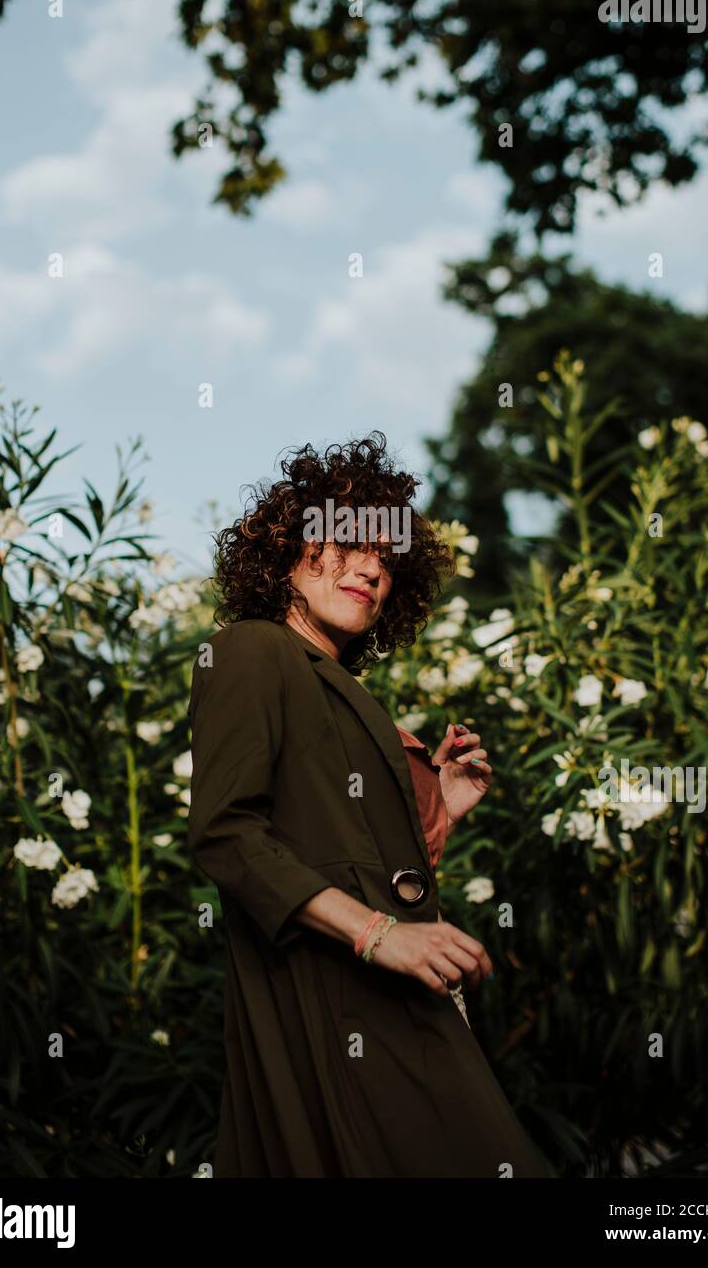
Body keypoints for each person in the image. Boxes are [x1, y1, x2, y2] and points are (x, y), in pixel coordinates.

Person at [187, 433, 555, 1177]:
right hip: (335, 991)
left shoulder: (333, 685)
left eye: (387, 558)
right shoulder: (252, 649)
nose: (370, 568)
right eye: (344, 542)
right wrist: (377, 933)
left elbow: (347, 854)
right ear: (286, 551)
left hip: (377, 996)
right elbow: (226, 834)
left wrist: (440, 811)